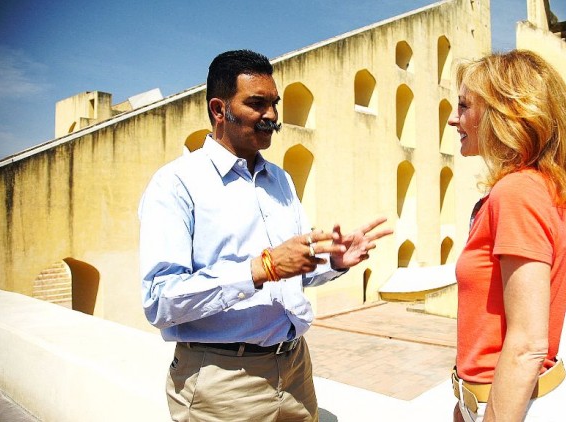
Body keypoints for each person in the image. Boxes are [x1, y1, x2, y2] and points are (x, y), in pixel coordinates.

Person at [138, 49, 392, 422]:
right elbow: (159, 299)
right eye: (257, 104)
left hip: (294, 369)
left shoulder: (280, 180)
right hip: (222, 382)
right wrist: (261, 268)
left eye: (274, 103)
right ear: (218, 110)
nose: (271, 115)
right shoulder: (177, 184)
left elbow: (293, 270)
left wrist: (333, 261)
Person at [448, 50, 566, 422]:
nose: (452, 118)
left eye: (463, 106)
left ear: (503, 113)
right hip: (500, 401)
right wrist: (466, 402)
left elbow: (527, 344)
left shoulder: (518, 192)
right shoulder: (533, 187)